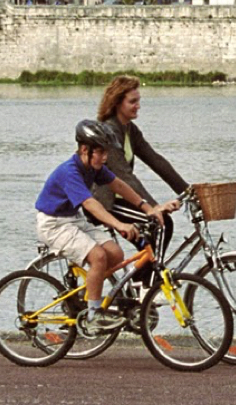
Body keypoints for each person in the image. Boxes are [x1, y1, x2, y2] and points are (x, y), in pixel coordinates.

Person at [34, 119, 172, 333]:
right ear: (84, 150)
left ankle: (89, 297)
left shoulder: (94, 167)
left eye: (106, 152)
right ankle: (93, 315)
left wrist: (147, 207)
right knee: (98, 256)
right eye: (100, 152)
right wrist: (119, 224)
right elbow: (90, 203)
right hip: (53, 224)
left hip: (72, 220)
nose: (105, 157)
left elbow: (118, 184)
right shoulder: (70, 172)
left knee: (115, 254)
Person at [94, 75, 189, 271]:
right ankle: (146, 285)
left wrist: (187, 191)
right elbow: (124, 174)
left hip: (123, 198)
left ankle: (142, 287)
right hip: (105, 202)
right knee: (162, 224)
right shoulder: (109, 131)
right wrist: (152, 208)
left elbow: (155, 160)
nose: (138, 106)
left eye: (139, 101)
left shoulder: (129, 130)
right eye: (132, 101)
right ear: (117, 102)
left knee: (156, 231)